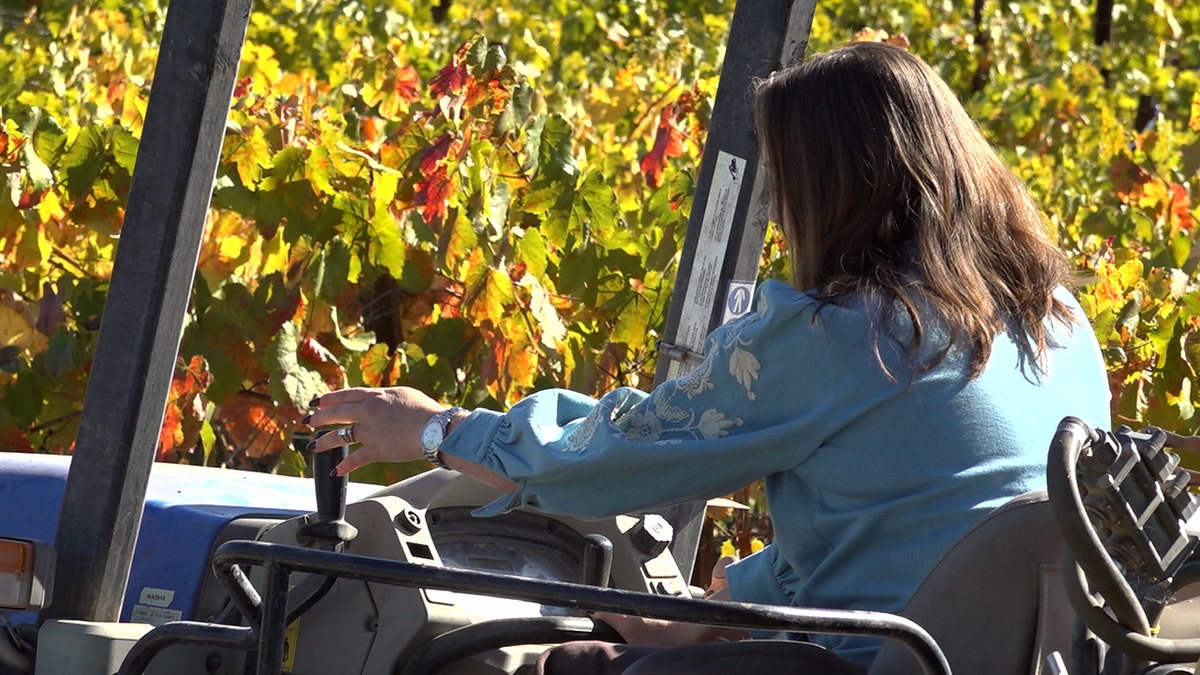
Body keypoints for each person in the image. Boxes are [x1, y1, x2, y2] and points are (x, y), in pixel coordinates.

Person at [305, 41, 1112, 670]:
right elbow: (919, 516)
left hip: (876, 658)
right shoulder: (1059, 323)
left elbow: (618, 453)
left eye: (782, 184)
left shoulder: (846, 333)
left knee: (544, 664)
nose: (778, 210)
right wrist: (733, 598)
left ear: (831, 187)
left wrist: (435, 429)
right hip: (1001, 656)